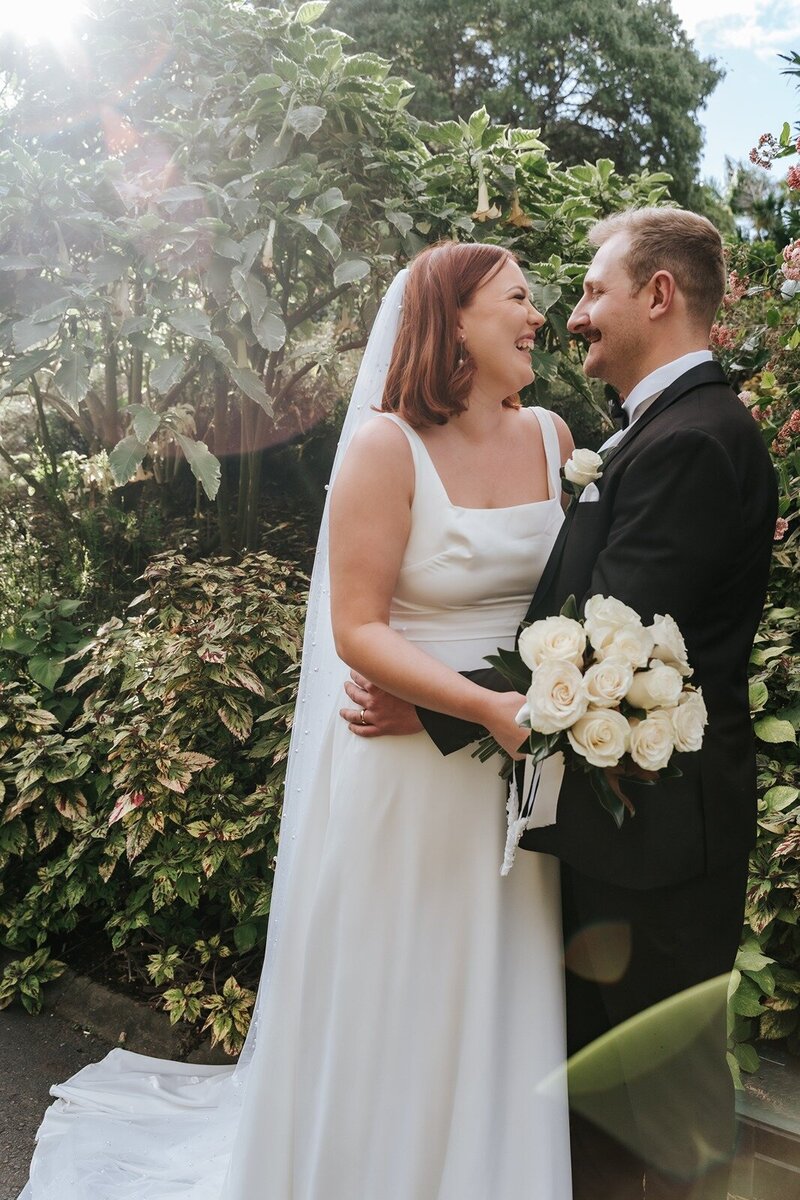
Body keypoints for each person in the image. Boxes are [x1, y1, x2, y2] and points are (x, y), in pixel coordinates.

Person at [19, 242, 574, 1200]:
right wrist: (485, 707)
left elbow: (573, 599)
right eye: (519, 299)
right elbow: (356, 627)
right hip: (407, 768)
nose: (539, 317)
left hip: (511, 770)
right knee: (397, 986)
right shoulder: (384, 447)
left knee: (495, 980)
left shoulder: (557, 440)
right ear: (454, 320)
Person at [343, 208, 778, 1200]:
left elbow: (610, 647)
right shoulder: (647, 433)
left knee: (655, 1111)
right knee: (604, 1104)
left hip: (657, 836)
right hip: (616, 824)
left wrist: (442, 709)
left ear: (657, 296)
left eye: (588, 289)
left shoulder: (691, 441)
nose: (569, 314)